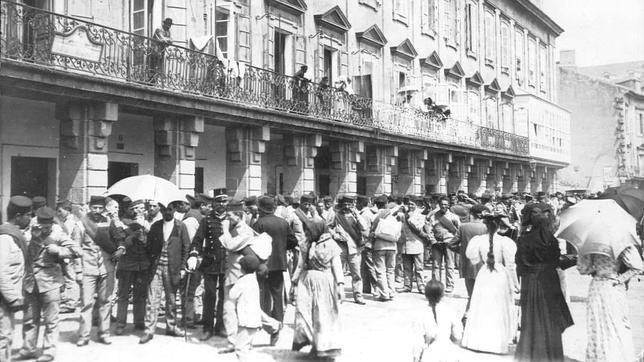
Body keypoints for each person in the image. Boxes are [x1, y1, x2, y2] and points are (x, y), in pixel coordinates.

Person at [17, 207, 79, 362]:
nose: (45, 228)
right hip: (31, 282)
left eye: (48, 226)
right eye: (42, 225)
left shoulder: (58, 234)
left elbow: (76, 250)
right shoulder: (28, 234)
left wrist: (58, 250)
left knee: (51, 320)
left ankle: (49, 351)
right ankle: (28, 349)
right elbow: (26, 256)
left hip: (51, 283)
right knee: (30, 319)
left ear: (52, 223)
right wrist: (35, 239)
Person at [515, 203, 573, 362]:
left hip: (530, 282)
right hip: (548, 281)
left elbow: (519, 264)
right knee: (550, 317)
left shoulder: (523, 239)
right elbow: (556, 263)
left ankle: (530, 354)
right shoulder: (551, 240)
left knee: (531, 318)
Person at [461, 213, 519, 354]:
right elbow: (511, 265)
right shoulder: (506, 242)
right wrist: (515, 283)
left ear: (485, 226)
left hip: (484, 274)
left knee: (482, 304)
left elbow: (473, 258)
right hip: (500, 275)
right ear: (499, 226)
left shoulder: (478, 240)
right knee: (498, 306)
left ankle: (479, 341)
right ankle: (497, 342)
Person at [577, 242, 643, 362]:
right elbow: (638, 267)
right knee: (616, 324)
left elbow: (583, 269)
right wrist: (620, 279)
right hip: (613, 286)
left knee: (598, 325)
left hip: (597, 287)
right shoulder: (621, 243)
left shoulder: (591, 243)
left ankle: (599, 357)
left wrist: (593, 265)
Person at [291, 210, 343, 359]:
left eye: (309, 231)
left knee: (322, 315)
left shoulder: (331, 245)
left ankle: (323, 349)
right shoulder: (306, 245)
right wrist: (294, 283)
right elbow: (300, 265)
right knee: (305, 313)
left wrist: (340, 285)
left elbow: (337, 266)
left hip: (324, 282)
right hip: (306, 282)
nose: (307, 233)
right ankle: (310, 342)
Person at [139, 203, 190, 344]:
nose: (167, 212)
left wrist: (182, 268)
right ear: (160, 210)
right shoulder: (155, 226)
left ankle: (172, 327)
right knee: (152, 300)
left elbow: (186, 248)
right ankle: (149, 330)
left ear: (174, 210)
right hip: (156, 267)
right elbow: (149, 247)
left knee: (171, 300)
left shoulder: (181, 227)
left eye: (170, 209)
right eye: (164, 209)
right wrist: (144, 239)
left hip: (173, 268)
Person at [76, 196, 121, 347]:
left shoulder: (109, 222)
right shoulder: (81, 224)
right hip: (87, 267)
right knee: (86, 303)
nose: (97, 211)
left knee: (106, 301)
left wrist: (120, 248)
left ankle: (104, 333)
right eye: (94, 207)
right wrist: (77, 270)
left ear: (104, 208)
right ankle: (84, 335)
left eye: (100, 208)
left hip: (106, 267)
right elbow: (75, 248)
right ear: (89, 207)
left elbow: (117, 238)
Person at [253, 196, 297, 344]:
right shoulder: (283, 223)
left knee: (261, 293)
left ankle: (263, 322)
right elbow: (293, 241)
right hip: (279, 263)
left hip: (262, 264)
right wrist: (281, 249)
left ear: (261, 208)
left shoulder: (259, 223)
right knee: (277, 295)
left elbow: (253, 244)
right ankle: (278, 321)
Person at [187, 190, 229, 341]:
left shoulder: (232, 220)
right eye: (218, 202)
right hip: (211, 262)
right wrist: (193, 254)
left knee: (225, 297)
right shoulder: (207, 220)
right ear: (213, 204)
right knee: (209, 296)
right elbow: (197, 240)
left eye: (224, 202)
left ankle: (221, 326)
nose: (221, 205)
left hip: (227, 263)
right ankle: (207, 328)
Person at [0, 196, 32, 362]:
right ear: (18, 216)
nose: (30, 219)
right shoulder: (5, 238)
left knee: (6, 336)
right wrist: (13, 298)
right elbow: (1, 273)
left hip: (6, 298)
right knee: (3, 338)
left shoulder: (15, 235)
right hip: (3, 298)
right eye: (28, 215)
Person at [448, 204, 488, 324]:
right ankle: (474, 317)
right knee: (482, 294)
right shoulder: (487, 228)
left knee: (471, 294)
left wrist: (463, 251)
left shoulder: (463, 227)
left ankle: (467, 315)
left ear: (471, 215)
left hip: (468, 265)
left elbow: (451, 244)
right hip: (483, 265)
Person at [328, 195, 368, 304]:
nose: (346, 206)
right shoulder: (336, 215)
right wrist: (335, 235)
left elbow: (364, 228)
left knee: (356, 274)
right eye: (344, 204)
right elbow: (328, 227)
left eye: (349, 204)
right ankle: (337, 295)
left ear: (353, 205)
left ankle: (358, 295)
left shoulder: (356, 215)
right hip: (340, 248)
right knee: (337, 272)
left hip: (354, 248)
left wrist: (356, 214)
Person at [114, 218, 150, 336]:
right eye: (136, 210)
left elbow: (149, 247)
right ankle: (120, 323)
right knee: (123, 296)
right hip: (126, 267)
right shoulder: (122, 229)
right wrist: (133, 236)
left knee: (140, 296)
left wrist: (144, 238)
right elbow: (122, 244)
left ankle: (139, 321)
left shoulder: (145, 229)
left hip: (141, 267)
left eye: (140, 210)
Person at [413, 279, 462, 362]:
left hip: (430, 355)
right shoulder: (450, 311)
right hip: (449, 353)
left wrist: (416, 357)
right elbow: (458, 335)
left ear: (426, 295)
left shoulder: (421, 313)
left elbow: (418, 341)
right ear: (442, 295)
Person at [229, 255, 262, 361]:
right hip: (255, 320)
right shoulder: (254, 279)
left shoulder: (242, 281)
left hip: (246, 321)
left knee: (240, 348)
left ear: (242, 269)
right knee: (247, 347)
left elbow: (232, 294)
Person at [427, 197, 460, 293]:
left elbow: (459, 231)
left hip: (449, 242)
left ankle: (449, 285)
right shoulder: (434, 216)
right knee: (436, 265)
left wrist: (454, 242)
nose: (443, 206)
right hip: (436, 243)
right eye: (442, 204)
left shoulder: (454, 217)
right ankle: (436, 285)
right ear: (439, 205)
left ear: (448, 205)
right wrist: (433, 240)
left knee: (450, 265)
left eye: (446, 204)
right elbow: (429, 229)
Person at [55, 200, 82, 314]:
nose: (58, 213)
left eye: (60, 211)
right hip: (67, 253)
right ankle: (68, 299)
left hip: (71, 254)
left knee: (71, 278)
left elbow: (74, 240)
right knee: (68, 277)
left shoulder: (72, 223)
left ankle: (71, 303)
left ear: (67, 210)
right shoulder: (68, 221)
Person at [370, 201, 401, 302]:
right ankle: (391, 292)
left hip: (379, 246)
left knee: (380, 271)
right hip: (392, 247)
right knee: (390, 271)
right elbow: (398, 236)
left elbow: (372, 231)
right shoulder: (396, 220)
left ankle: (384, 294)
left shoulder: (377, 217)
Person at [398, 196, 429, 294]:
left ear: (417, 205)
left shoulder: (420, 215)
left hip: (416, 244)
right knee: (407, 267)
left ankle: (421, 286)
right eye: (409, 204)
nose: (410, 206)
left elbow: (418, 228)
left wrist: (410, 217)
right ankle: (407, 285)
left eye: (412, 204)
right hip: (405, 244)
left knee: (419, 268)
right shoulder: (404, 214)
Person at [356, 195, 378, 295]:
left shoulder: (365, 215)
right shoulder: (368, 213)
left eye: (357, 203)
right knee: (365, 266)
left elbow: (364, 230)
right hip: (367, 242)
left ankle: (375, 286)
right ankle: (367, 287)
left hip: (366, 243)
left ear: (360, 203)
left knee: (369, 265)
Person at [150, 18, 173, 82]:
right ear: (164, 24)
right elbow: (162, 39)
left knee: (160, 66)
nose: (169, 26)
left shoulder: (168, 31)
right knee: (154, 66)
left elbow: (171, 41)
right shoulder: (159, 29)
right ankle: (152, 80)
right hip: (155, 49)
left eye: (170, 25)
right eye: (168, 24)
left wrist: (167, 40)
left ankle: (158, 80)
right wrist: (167, 40)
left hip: (161, 51)